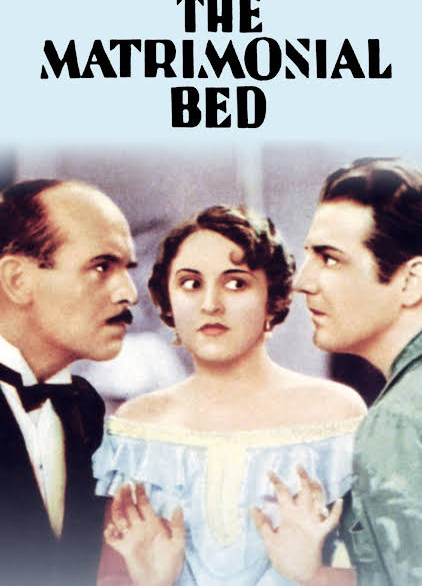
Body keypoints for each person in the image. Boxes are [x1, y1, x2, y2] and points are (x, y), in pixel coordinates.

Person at [93, 205, 366, 586]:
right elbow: (107, 576)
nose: (210, 304)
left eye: (236, 283)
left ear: (273, 298)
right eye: (191, 284)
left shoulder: (334, 413)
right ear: (168, 301)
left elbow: (396, 571)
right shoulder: (136, 425)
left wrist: (313, 574)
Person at [252, 158, 422, 585]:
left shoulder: (398, 421)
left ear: (412, 281)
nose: (303, 282)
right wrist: (314, 574)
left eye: (329, 259)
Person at [0, 179, 138, 586]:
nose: (128, 293)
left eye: (126, 270)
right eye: (102, 267)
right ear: (18, 281)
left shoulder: (83, 407)